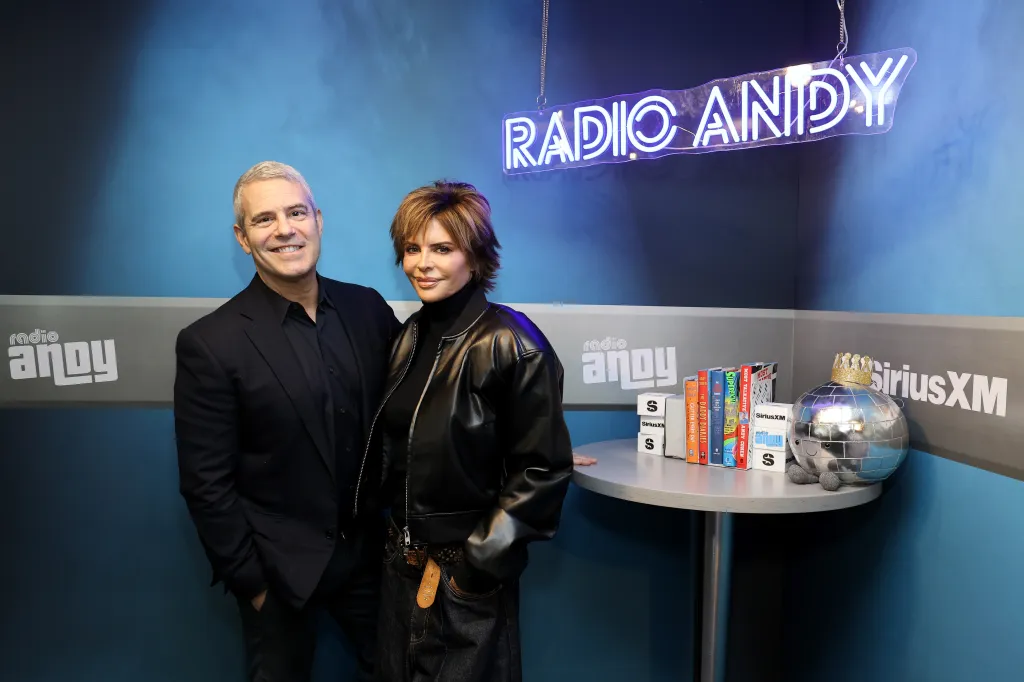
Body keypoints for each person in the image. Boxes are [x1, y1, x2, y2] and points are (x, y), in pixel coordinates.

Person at [173, 160, 401, 682]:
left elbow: (417, 407)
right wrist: (252, 584)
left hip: (371, 559)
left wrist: (505, 448)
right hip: (277, 572)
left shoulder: (367, 309)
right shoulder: (211, 342)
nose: (285, 230)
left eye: (296, 212)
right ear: (242, 237)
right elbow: (205, 481)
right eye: (264, 219)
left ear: (318, 219)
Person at [368, 180, 575, 681]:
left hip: (465, 581)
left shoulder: (512, 342)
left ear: (476, 257)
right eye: (412, 249)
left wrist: (475, 565)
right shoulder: (410, 335)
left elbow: (543, 470)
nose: (423, 263)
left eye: (442, 248)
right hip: (401, 568)